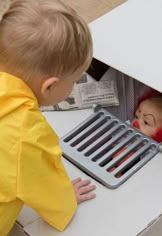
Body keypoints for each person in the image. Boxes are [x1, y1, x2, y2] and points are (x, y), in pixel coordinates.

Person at [0, 0, 96, 235]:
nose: (74, 85)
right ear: (49, 87)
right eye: (74, 80)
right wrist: (66, 198)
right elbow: (45, 185)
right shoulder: (28, 134)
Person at [109, 91, 162, 175]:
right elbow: (113, 140)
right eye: (136, 116)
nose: (136, 122)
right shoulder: (128, 130)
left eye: (146, 122)